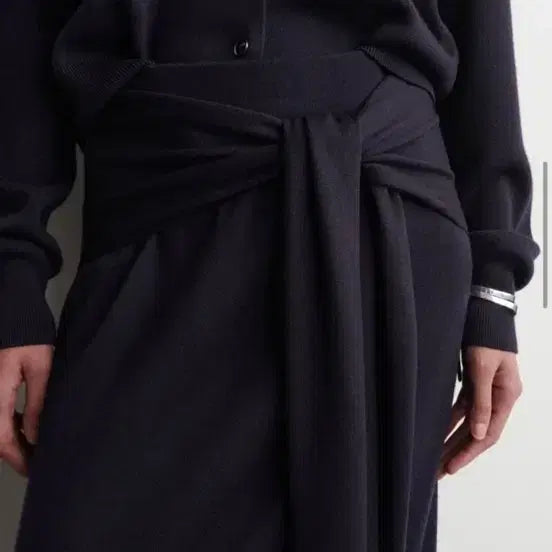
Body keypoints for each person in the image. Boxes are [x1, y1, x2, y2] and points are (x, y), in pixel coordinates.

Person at [0, 1, 541, 551]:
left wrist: (493, 290)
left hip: (375, 205)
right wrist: (13, 281)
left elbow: (478, 27)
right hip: (157, 190)